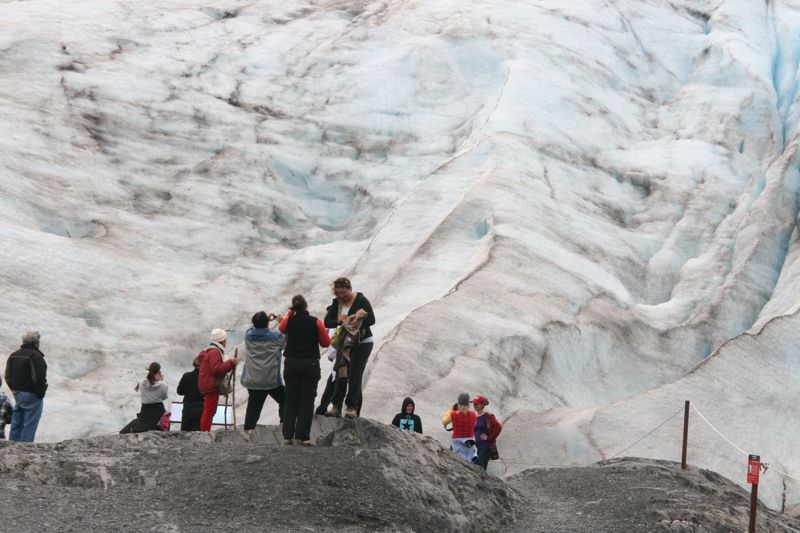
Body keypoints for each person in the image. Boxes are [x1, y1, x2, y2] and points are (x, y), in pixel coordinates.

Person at [278, 294, 331, 445]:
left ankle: (288, 436)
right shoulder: (316, 322)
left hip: (292, 363)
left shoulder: (288, 320)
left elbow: (281, 329)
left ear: (293, 307)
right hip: (310, 364)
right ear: (306, 306)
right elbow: (326, 343)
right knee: (307, 401)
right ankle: (303, 436)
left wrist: (290, 313)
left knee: (291, 399)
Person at [324, 277, 375, 418]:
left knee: (354, 373)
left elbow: (372, 319)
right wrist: (339, 321)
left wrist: (356, 321)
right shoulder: (337, 303)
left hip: (362, 342)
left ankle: (352, 407)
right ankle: (336, 406)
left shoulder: (361, 300)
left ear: (350, 289)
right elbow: (327, 321)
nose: (341, 296)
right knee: (341, 372)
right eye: (338, 293)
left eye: (344, 293)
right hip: (345, 342)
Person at [239, 311, 286, 429]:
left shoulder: (249, 335)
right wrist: (282, 323)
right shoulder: (276, 337)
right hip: (271, 380)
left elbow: (252, 328)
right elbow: (287, 340)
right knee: (286, 400)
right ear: (267, 323)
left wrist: (265, 321)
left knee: (253, 409)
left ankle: (248, 432)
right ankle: (284, 426)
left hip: (253, 380)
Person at [5, 331, 47, 442]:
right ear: (36, 343)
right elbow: (39, 377)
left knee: (17, 422)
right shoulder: (36, 356)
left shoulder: (14, 355)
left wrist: (14, 390)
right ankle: (24, 451)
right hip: (32, 395)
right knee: (30, 424)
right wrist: (40, 393)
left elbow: (7, 376)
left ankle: (11, 448)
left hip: (17, 393)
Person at [198, 328, 239, 432]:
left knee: (209, 410)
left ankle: (205, 431)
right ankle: (205, 433)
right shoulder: (215, 352)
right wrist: (230, 363)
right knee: (209, 411)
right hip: (211, 385)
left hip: (208, 384)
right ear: (222, 340)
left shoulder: (210, 351)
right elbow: (216, 370)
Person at [120, 362, 168, 433]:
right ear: (158, 372)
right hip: (158, 417)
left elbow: (147, 381)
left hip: (145, 416)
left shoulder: (141, 382)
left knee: (123, 432)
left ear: (149, 370)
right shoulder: (164, 385)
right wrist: (160, 381)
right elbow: (164, 398)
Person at [441, 393, 478, 463]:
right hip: (470, 444)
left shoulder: (453, 414)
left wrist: (451, 409)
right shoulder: (474, 415)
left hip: (457, 445)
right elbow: (474, 425)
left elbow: (444, 421)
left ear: (458, 405)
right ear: (469, 405)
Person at [472, 395, 502, 470]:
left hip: (484, 447)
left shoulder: (488, 416)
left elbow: (498, 427)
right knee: (473, 468)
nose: (474, 405)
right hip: (474, 447)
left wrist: (489, 438)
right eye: (474, 403)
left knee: (480, 469)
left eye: (476, 404)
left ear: (482, 405)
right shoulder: (473, 416)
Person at [176, 356, 203, 431]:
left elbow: (179, 392)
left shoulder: (186, 376)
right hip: (201, 409)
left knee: (185, 433)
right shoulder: (204, 377)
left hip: (188, 408)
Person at [315, 333, 337, 416]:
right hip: (337, 362)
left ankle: (323, 409)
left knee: (333, 385)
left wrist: (331, 356)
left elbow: (328, 344)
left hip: (339, 362)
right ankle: (322, 409)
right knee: (331, 384)